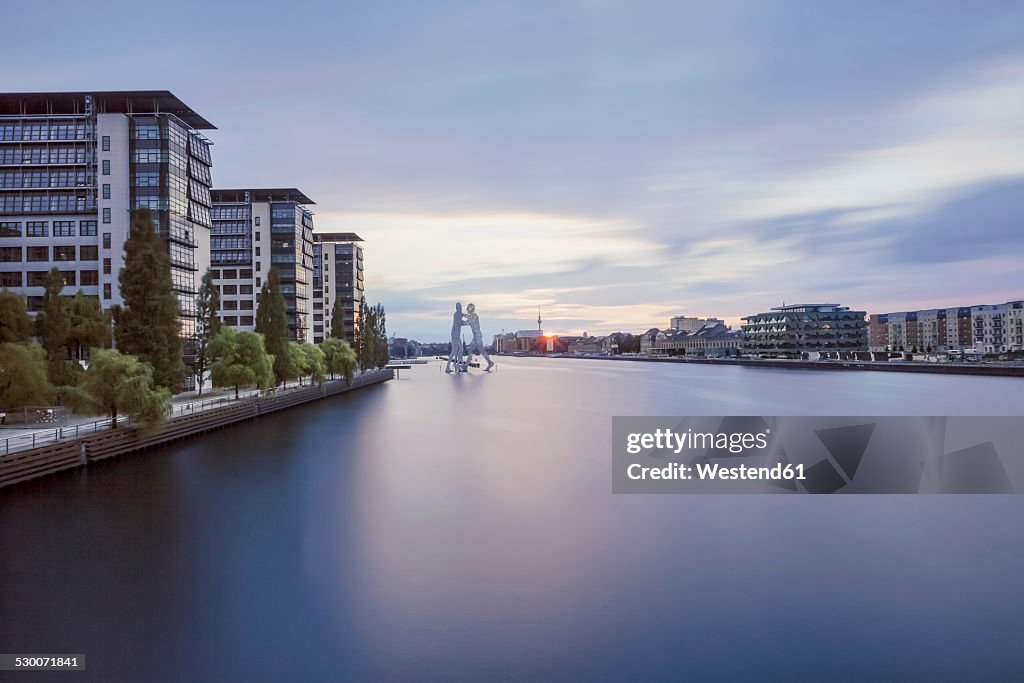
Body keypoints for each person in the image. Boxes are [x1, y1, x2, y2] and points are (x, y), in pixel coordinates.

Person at [463, 303, 494, 371]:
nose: (467, 309)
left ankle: (466, 366)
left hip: (477, 336)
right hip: (476, 336)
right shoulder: (472, 315)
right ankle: (490, 363)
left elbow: (468, 322)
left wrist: (460, 322)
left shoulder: (474, 316)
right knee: (478, 350)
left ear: (471, 309)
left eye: (468, 308)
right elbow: (468, 317)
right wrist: (463, 315)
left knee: (473, 350)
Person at [445, 303, 468, 373]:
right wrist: (468, 322)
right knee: (461, 349)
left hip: (455, 335)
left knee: (454, 352)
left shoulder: (458, 314)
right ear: (458, 308)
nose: (461, 308)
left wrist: (466, 316)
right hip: (456, 335)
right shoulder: (456, 314)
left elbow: (463, 316)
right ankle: (457, 365)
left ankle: (448, 367)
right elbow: (460, 322)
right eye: (460, 307)